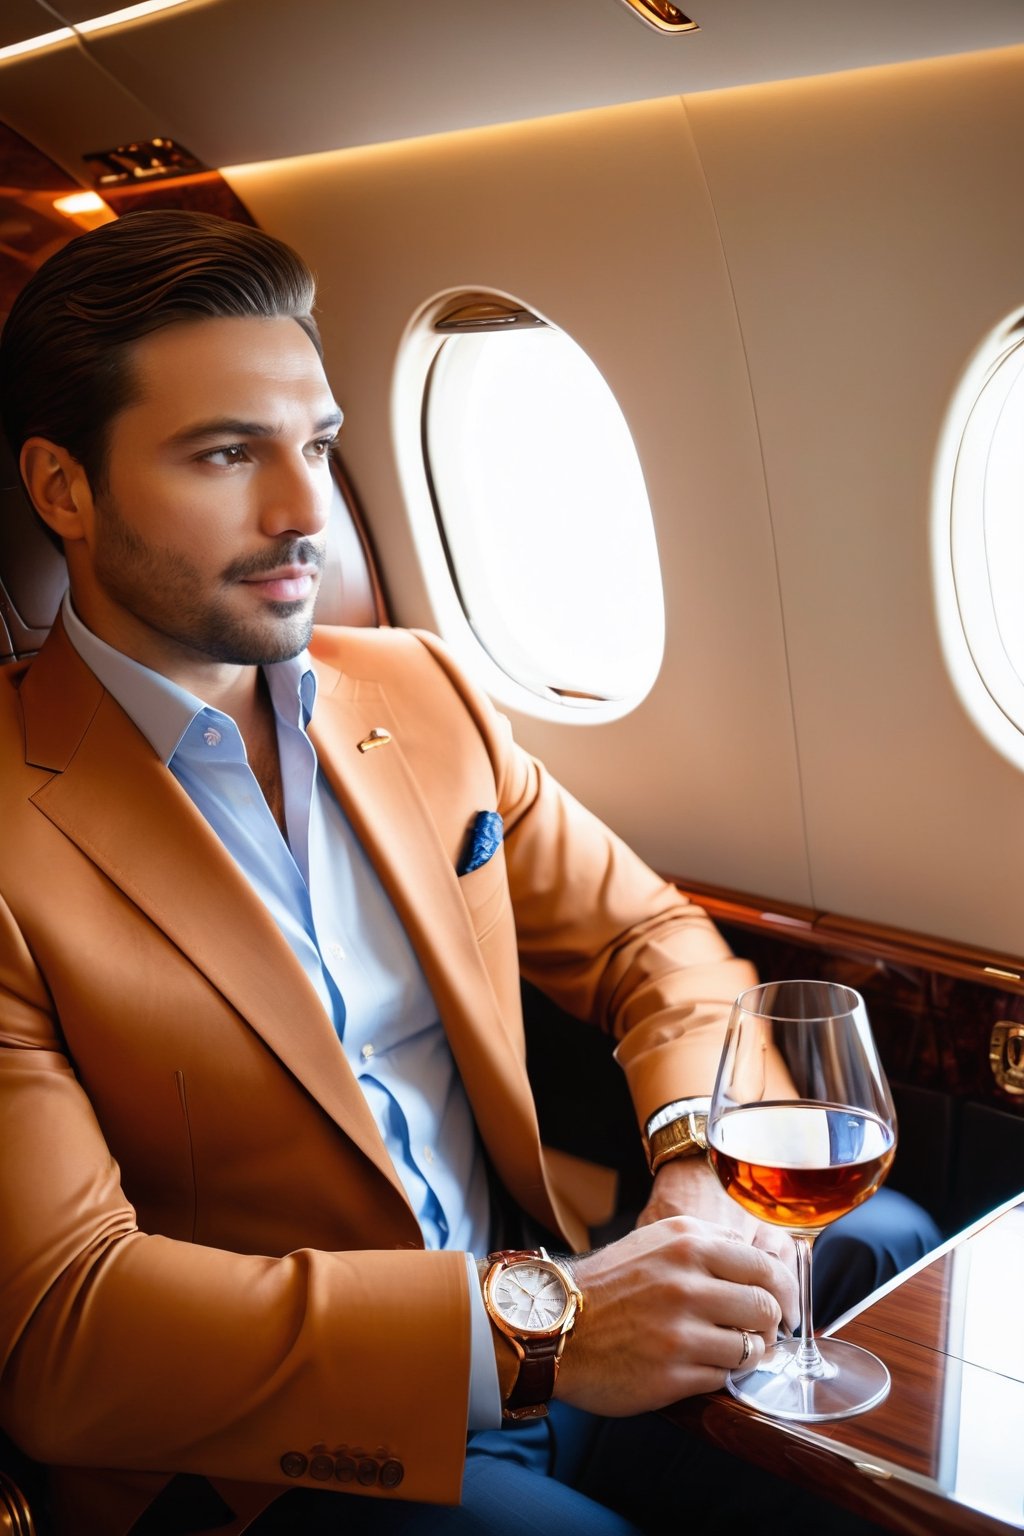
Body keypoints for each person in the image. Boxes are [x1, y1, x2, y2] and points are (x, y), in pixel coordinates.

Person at [0, 210, 937, 1536]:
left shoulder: (418, 689)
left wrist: (692, 1172)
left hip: (557, 1287)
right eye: (225, 455)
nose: (302, 512)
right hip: (273, 1461)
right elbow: (65, 1326)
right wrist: (528, 1335)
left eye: (316, 445)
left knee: (888, 1253)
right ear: (62, 490)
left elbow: (650, 944)